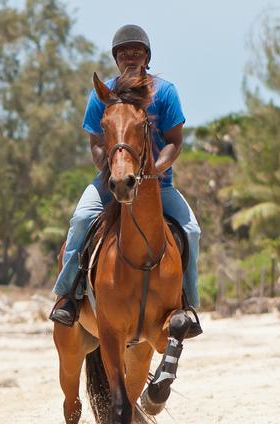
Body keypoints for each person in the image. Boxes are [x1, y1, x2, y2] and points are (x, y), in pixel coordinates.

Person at [49, 25, 202, 338]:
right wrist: (110, 170)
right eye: (123, 52)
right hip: (111, 182)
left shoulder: (166, 92)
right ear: (116, 58)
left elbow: (174, 140)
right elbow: (95, 142)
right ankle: (68, 296)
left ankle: (188, 302)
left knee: (191, 231)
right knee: (81, 219)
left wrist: (154, 172)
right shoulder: (102, 93)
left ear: (147, 56)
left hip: (159, 186)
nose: (130, 55)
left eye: (136, 51)